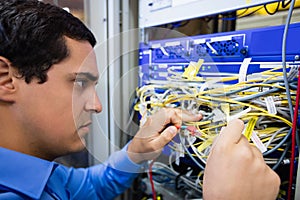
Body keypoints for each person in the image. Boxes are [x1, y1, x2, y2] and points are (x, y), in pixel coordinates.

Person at [0, 0, 280, 199]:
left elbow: (91, 186)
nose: (96, 105)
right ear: (6, 79)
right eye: (79, 83)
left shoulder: (43, 175)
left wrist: (138, 150)